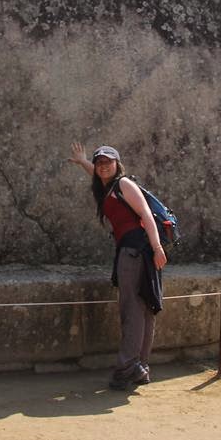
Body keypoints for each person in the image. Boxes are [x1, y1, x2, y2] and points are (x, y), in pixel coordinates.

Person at [68, 142, 167, 390]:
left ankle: (128, 368)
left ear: (117, 164)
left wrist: (157, 248)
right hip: (138, 250)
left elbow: (145, 214)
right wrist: (83, 162)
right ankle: (140, 367)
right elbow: (98, 175)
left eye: (108, 162)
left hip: (136, 250)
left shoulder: (123, 184)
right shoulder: (109, 187)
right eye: (99, 162)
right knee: (143, 307)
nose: (103, 166)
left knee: (132, 308)